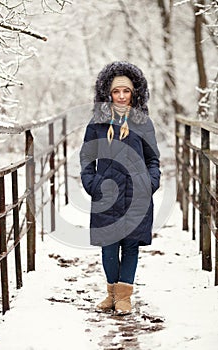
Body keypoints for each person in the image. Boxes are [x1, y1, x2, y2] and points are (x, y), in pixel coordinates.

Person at [80, 61, 161, 315]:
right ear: (108, 93)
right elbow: (86, 158)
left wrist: (150, 183)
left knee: (131, 245)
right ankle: (111, 293)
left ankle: (124, 297)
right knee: (108, 245)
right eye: (117, 91)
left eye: (126, 91)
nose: (122, 96)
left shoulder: (143, 123)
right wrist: (93, 184)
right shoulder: (97, 124)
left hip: (137, 195)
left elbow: (153, 159)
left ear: (134, 92)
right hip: (106, 194)